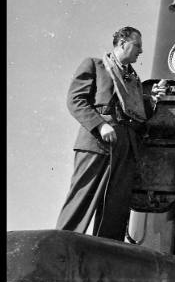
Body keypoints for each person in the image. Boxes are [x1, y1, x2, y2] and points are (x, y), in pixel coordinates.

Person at [56, 26, 149, 241]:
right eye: (138, 46)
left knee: (115, 210)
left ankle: (107, 258)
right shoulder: (94, 65)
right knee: (81, 199)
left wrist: (151, 101)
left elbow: (136, 113)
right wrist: (100, 125)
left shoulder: (133, 80)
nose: (141, 51)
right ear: (123, 43)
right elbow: (75, 100)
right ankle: (61, 251)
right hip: (97, 142)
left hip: (125, 146)